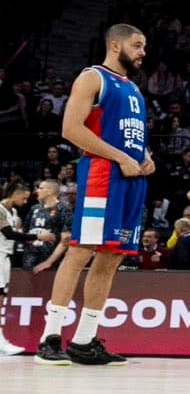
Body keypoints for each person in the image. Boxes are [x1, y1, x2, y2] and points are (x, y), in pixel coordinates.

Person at [35, 26, 154, 366]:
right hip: (103, 175)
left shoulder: (132, 87)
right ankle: (50, 338)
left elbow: (128, 136)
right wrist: (119, 157)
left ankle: (84, 340)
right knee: (81, 251)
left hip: (130, 177)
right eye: (137, 45)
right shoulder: (92, 78)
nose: (143, 51)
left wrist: (145, 156)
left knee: (111, 257)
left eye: (144, 46)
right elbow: (71, 129)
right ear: (115, 45)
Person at [0, 179, 32, 356]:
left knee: (2, 297)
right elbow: (8, 234)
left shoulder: (13, 212)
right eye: (24, 198)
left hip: (5, 257)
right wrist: (38, 236)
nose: (25, 202)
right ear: (16, 193)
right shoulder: (0, 209)